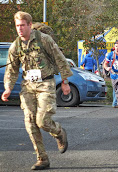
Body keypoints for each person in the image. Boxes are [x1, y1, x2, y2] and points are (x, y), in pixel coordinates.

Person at [1, 11, 71, 170]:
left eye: (22, 25)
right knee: (31, 124)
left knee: (43, 121)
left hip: (45, 84)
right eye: (17, 26)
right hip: (28, 86)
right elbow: (11, 70)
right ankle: (42, 159)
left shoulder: (43, 39)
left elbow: (60, 59)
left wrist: (65, 82)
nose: (19, 29)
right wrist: (8, 88)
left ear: (29, 25)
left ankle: (59, 132)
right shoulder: (16, 45)